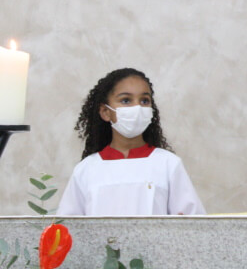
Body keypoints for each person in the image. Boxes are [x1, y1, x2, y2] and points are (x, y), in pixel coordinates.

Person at [58, 68, 206, 215]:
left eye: (144, 100)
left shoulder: (168, 164)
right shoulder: (86, 170)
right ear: (105, 112)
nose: (137, 108)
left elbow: (192, 227)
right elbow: (68, 228)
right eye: (126, 100)